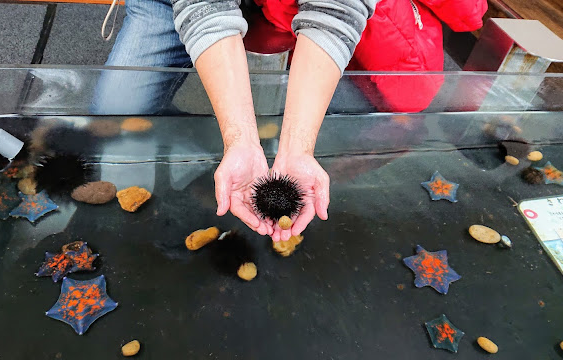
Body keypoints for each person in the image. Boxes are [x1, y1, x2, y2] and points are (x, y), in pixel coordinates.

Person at [94, 0, 378, 242]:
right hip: (176, 4)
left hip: (284, 7)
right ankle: (206, 149)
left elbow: (336, 11)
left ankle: (226, 150)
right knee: (115, 110)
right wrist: (238, 140)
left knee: (354, 107)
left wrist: (298, 148)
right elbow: (206, 7)